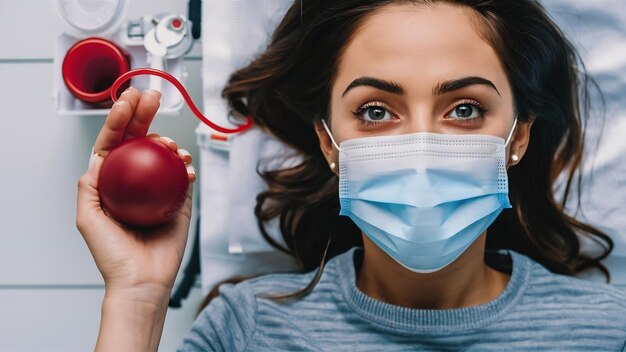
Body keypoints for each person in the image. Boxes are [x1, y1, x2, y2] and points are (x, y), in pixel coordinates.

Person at [76, 0, 626, 351]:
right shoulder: (247, 329)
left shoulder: (608, 330)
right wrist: (137, 299)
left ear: (519, 138)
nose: (420, 148)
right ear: (328, 142)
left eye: (464, 109)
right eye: (375, 111)